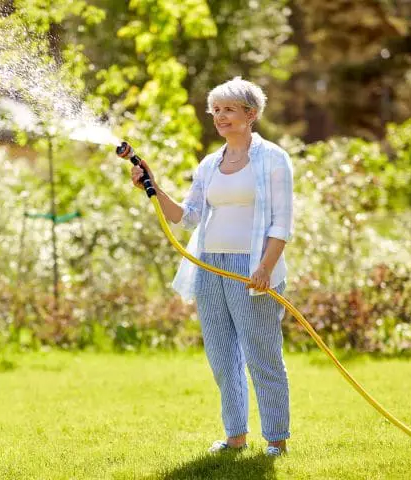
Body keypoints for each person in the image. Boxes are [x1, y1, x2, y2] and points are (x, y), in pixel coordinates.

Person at [130, 76, 294, 457]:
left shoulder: (273, 159)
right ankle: (235, 435)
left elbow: (282, 223)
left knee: (262, 355)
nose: (220, 117)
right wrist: (151, 185)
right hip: (209, 267)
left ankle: (276, 440)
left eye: (229, 110)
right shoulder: (209, 164)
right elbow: (187, 218)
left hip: (252, 267)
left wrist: (266, 267)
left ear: (251, 115)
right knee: (222, 357)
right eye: (216, 110)